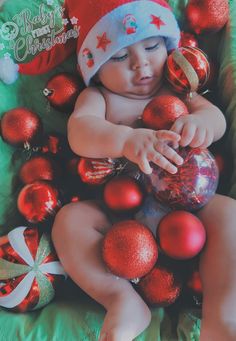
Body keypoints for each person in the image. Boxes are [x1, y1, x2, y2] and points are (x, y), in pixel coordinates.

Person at [51, 0, 236, 340]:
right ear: (94, 67)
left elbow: (218, 120)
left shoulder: (177, 89)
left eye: (152, 46)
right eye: (119, 57)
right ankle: (121, 300)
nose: (141, 64)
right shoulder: (98, 97)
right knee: (68, 222)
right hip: (118, 216)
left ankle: (222, 314)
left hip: (192, 207)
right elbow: (80, 130)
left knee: (229, 216)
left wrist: (199, 124)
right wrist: (125, 140)